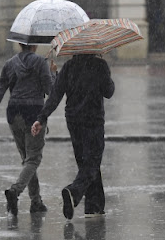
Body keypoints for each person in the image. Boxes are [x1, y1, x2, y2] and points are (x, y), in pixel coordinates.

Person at [31, 54, 115, 220]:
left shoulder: (69, 66)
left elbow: (55, 95)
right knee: (92, 163)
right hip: (93, 119)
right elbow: (109, 92)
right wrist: (107, 76)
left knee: (86, 163)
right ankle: (74, 192)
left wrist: (42, 117)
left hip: (73, 120)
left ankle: (94, 207)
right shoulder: (100, 65)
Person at [0, 43, 57, 216]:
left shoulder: (10, 63)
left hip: (14, 113)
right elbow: (50, 90)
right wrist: (53, 73)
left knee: (27, 159)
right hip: (33, 114)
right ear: (35, 45)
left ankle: (36, 201)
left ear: (20, 43)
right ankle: (15, 191)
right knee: (33, 159)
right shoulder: (40, 63)